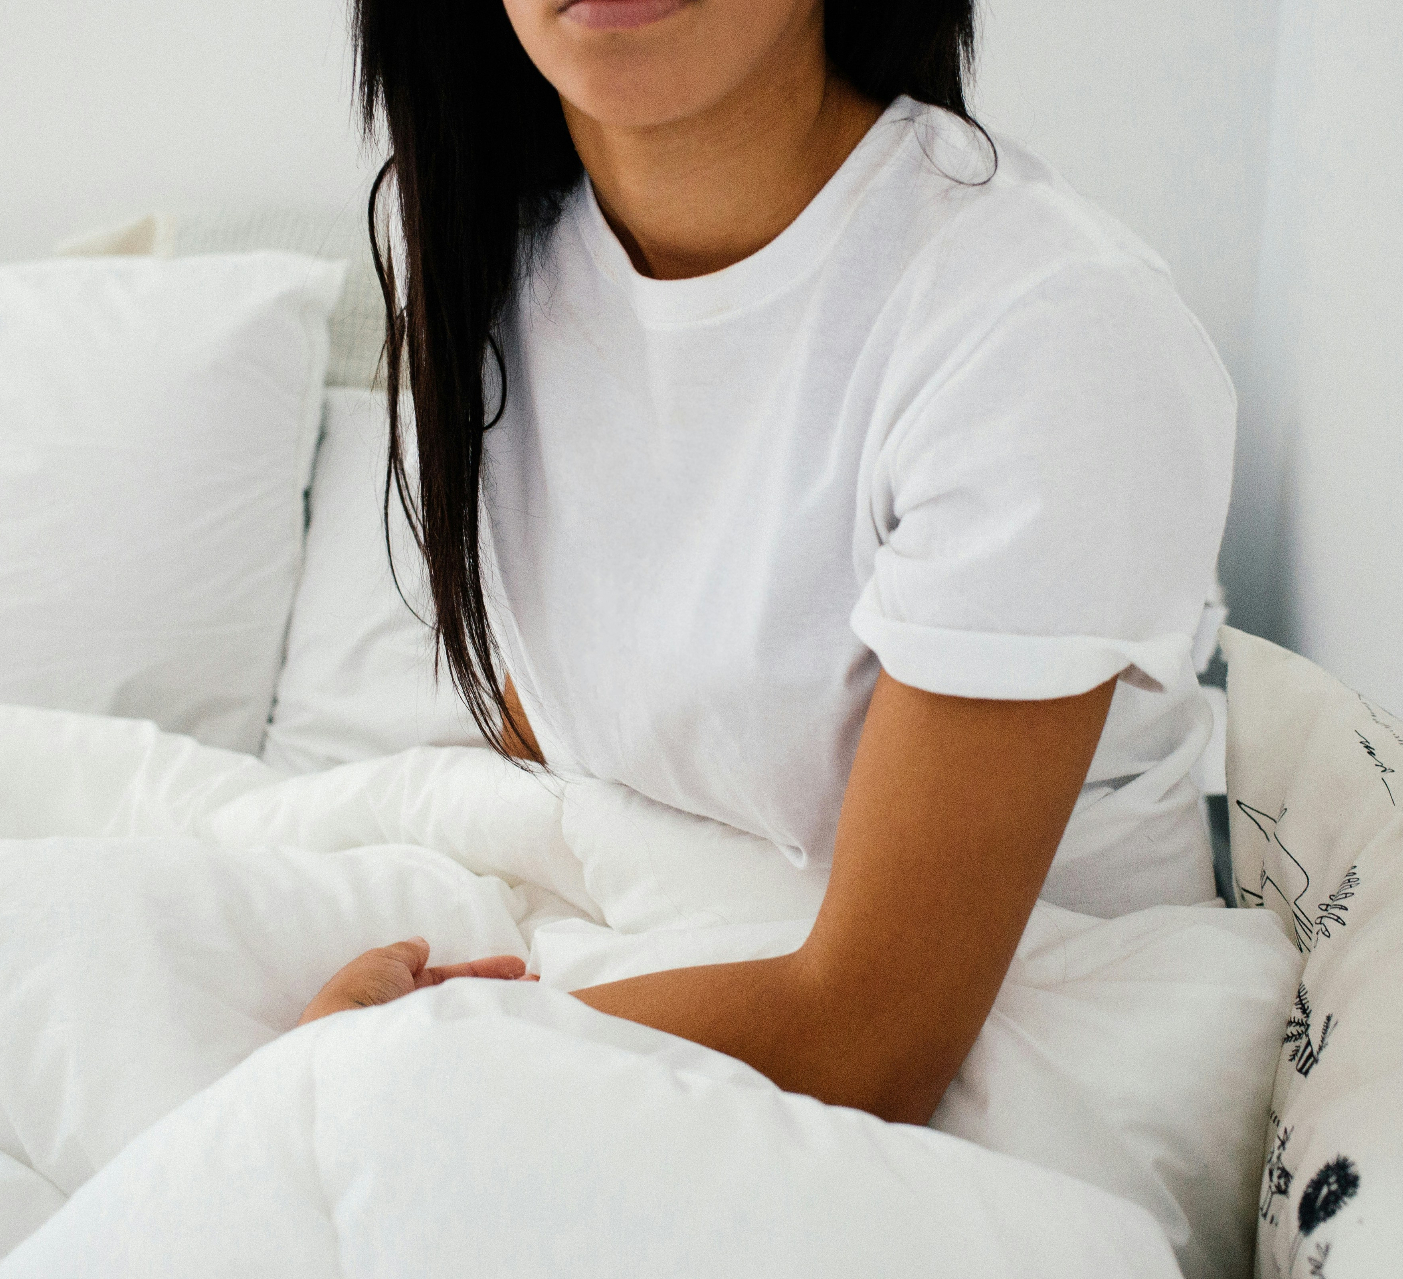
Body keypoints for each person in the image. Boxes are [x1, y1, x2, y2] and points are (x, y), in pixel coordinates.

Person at [300, 0, 1233, 1128]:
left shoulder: (1042, 318)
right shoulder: (472, 246)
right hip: (661, 961)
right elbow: (560, 721)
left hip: (1011, 1075)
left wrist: (411, 1054)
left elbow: (873, 1040)